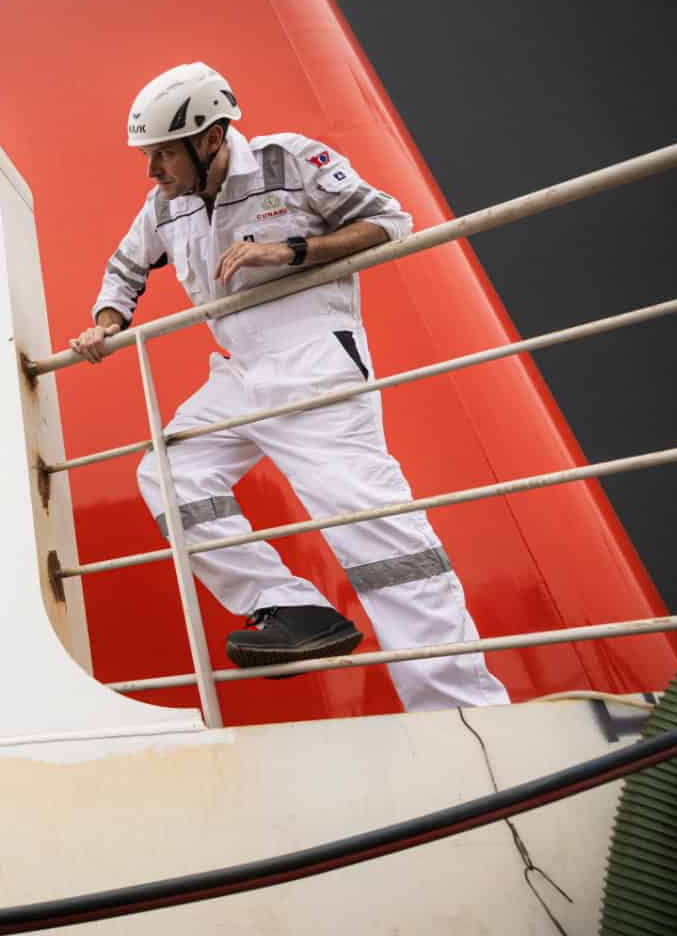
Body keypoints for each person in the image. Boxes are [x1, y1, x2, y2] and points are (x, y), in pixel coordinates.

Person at [69, 61, 508, 711]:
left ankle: (464, 712)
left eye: (162, 154)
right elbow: (126, 267)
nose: (152, 171)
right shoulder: (164, 204)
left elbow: (388, 222)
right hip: (240, 371)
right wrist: (106, 322)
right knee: (168, 473)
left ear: (210, 138)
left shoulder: (291, 160)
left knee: (379, 539)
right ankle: (292, 608)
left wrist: (289, 251)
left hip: (314, 367)